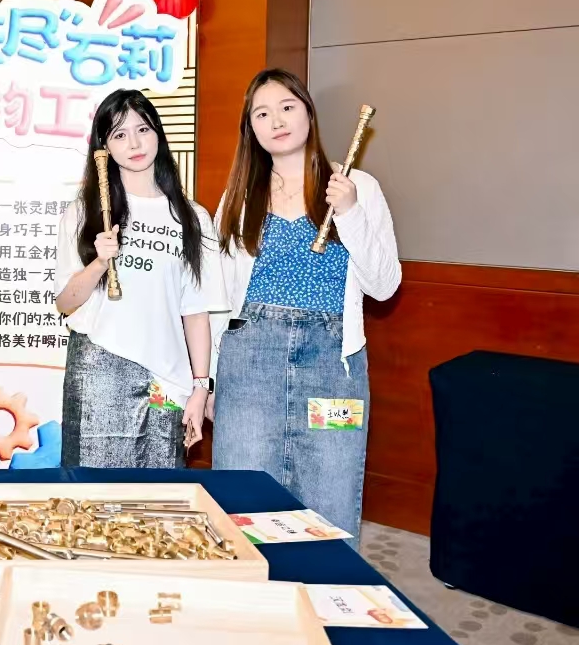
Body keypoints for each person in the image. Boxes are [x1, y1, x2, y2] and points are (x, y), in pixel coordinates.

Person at [209, 68, 400, 542]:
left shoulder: (357, 186)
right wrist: (208, 382)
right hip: (249, 362)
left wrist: (350, 212)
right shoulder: (239, 196)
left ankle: (324, 589)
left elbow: (384, 286)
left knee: (329, 497)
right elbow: (217, 300)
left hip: (333, 364)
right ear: (251, 129)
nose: (276, 120)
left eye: (287, 107)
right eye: (262, 113)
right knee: (243, 499)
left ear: (308, 113)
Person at [54, 89, 226, 468]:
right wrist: (99, 263)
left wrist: (201, 387)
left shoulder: (193, 217)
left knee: (160, 493)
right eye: (119, 134)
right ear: (104, 146)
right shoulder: (85, 212)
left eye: (143, 129)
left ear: (158, 134)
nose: (134, 143)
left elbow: (196, 312)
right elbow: (65, 302)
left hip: (167, 376)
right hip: (99, 369)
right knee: (94, 494)